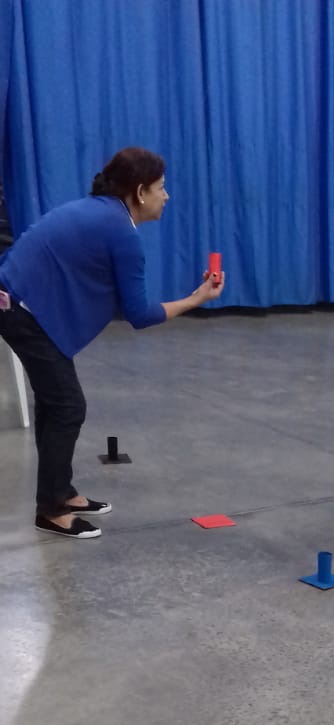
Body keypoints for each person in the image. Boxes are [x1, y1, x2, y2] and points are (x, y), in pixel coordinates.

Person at [0, 147, 225, 539]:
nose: (166, 195)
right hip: (21, 310)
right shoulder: (121, 232)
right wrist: (196, 299)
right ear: (140, 192)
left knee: (57, 403)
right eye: (161, 187)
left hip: (17, 303)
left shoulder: (101, 212)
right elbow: (139, 315)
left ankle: (60, 492)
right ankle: (51, 510)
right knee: (67, 406)